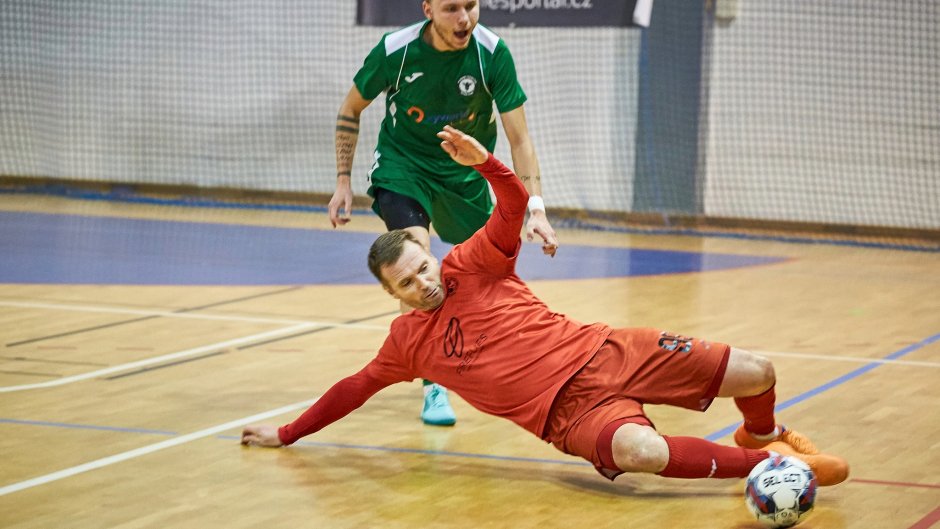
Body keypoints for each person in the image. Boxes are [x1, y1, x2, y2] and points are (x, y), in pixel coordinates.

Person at [245, 126, 849, 487]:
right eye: (406, 284)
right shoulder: (407, 346)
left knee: (759, 369)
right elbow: (353, 388)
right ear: (392, 295)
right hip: (567, 416)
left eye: (421, 267)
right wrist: (289, 433)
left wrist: (485, 161)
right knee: (642, 452)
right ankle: (771, 470)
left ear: (429, 255)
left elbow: (511, 204)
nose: (423, 283)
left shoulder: (470, 264)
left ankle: (762, 431)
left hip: (611, 352)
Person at [328, 0, 559, 426]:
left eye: (471, 5)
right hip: (404, 166)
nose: (465, 18)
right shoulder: (395, 50)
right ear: (428, 9)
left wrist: (536, 209)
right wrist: (343, 180)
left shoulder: (492, 54)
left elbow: (520, 139)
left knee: (489, 276)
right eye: (452, 8)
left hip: (465, 177)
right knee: (413, 255)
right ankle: (434, 383)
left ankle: (523, 361)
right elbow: (351, 108)